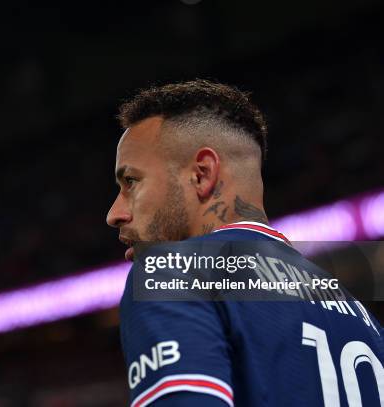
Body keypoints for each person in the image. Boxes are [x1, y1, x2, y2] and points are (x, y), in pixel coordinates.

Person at [106, 80, 384, 406]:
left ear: (201, 174)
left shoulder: (170, 274)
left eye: (131, 182)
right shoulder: (363, 320)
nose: (115, 213)